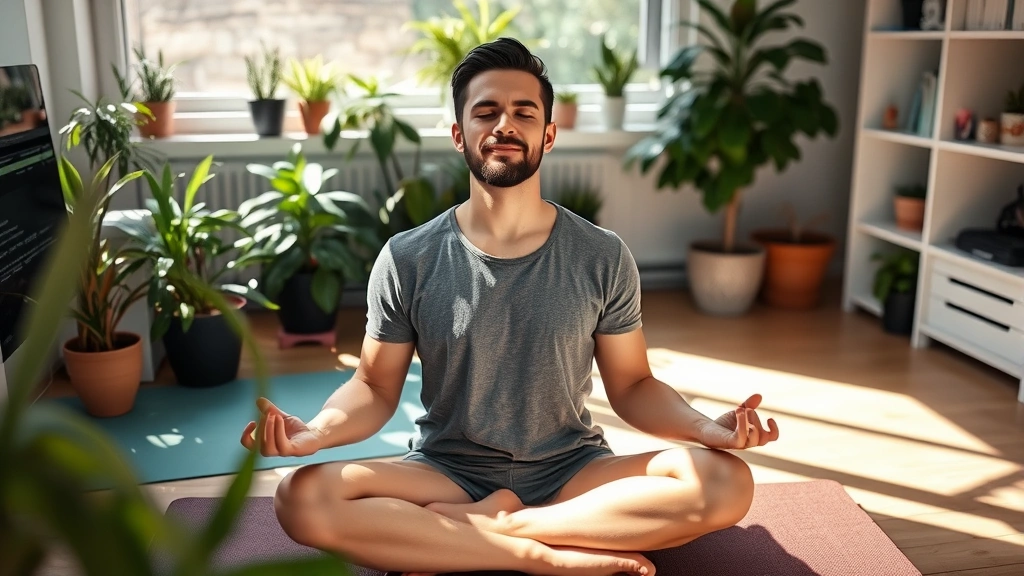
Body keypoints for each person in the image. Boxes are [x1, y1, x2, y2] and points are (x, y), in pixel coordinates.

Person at [239, 37, 779, 576]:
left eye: (524, 112)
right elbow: (376, 387)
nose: (505, 125)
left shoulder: (601, 254)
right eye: (486, 111)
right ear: (459, 134)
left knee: (726, 483)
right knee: (301, 496)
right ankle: (536, 554)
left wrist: (707, 429)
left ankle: (490, 530)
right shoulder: (408, 256)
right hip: (446, 468)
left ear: (548, 135)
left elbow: (634, 386)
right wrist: (317, 430)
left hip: (573, 467)